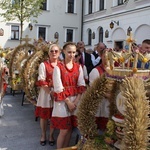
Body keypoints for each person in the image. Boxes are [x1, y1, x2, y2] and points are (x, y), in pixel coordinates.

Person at [51, 42, 86, 148]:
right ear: (64, 52)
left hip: (75, 101)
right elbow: (58, 87)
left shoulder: (78, 67)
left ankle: (66, 148)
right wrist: (69, 102)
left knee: (70, 129)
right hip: (63, 102)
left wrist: (75, 102)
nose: (71, 55)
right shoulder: (58, 68)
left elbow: (81, 85)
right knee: (64, 130)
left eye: (74, 52)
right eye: (69, 52)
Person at [35, 44, 61, 146]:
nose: (53, 53)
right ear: (48, 53)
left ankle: (51, 135)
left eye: (56, 51)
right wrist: (50, 92)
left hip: (57, 92)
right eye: (51, 51)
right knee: (44, 116)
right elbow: (41, 80)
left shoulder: (61, 65)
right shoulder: (43, 65)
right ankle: (43, 135)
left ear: (59, 53)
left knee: (54, 115)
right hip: (46, 93)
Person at [89, 48, 109, 132]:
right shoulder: (96, 71)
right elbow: (95, 89)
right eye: (105, 56)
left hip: (109, 104)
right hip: (100, 104)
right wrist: (109, 95)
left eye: (110, 56)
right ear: (101, 56)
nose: (108, 58)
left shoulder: (114, 71)